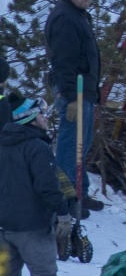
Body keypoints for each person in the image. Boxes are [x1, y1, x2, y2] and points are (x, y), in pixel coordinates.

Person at [44, 0, 104, 213]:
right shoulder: (65, 19)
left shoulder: (78, 15)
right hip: (74, 92)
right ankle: (66, 199)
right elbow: (63, 62)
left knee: (83, 143)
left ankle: (80, 193)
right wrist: (70, 98)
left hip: (84, 91)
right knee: (71, 145)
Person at [0, 96, 72, 276]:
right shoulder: (37, 148)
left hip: (3, 228)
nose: (46, 118)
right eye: (42, 114)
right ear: (30, 118)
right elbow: (48, 187)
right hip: (33, 229)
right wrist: (63, 213)